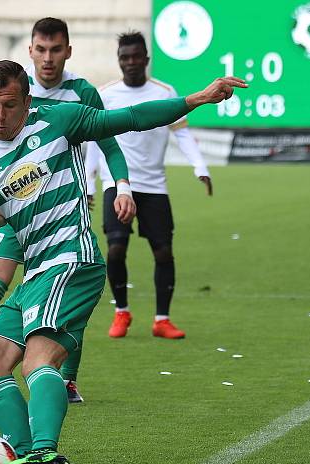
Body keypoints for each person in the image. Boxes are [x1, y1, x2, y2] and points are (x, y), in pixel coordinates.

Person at [0, 60, 245, 464]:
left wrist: (195, 99)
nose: (0, 116)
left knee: (37, 361)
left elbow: (132, 119)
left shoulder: (59, 120)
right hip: (37, 273)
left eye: (9, 105)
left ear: (27, 100)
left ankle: (43, 450)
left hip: (72, 260)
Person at [0, 17, 130, 409]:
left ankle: (66, 378)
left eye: (55, 49)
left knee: (61, 293)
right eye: (40, 50)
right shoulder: (8, 88)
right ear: (30, 51)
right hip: (11, 211)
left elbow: (108, 139)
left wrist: (121, 185)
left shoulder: (80, 93)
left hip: (57, 209)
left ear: (67, 51)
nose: (47, 58)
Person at [85, 31, 213, 339]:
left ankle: (162, 319)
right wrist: (89, 184)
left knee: (163, 253)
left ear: (146, 59)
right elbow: (95, 139)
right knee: (115, 250)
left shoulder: (165, 91)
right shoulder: (106, 94)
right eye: (124, 58)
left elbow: (181, 132)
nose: (130, 63)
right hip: (117, 183)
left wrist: (200, 166)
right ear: (119, 60)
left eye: (135, 57)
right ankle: (121, 313)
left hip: (155, 186)